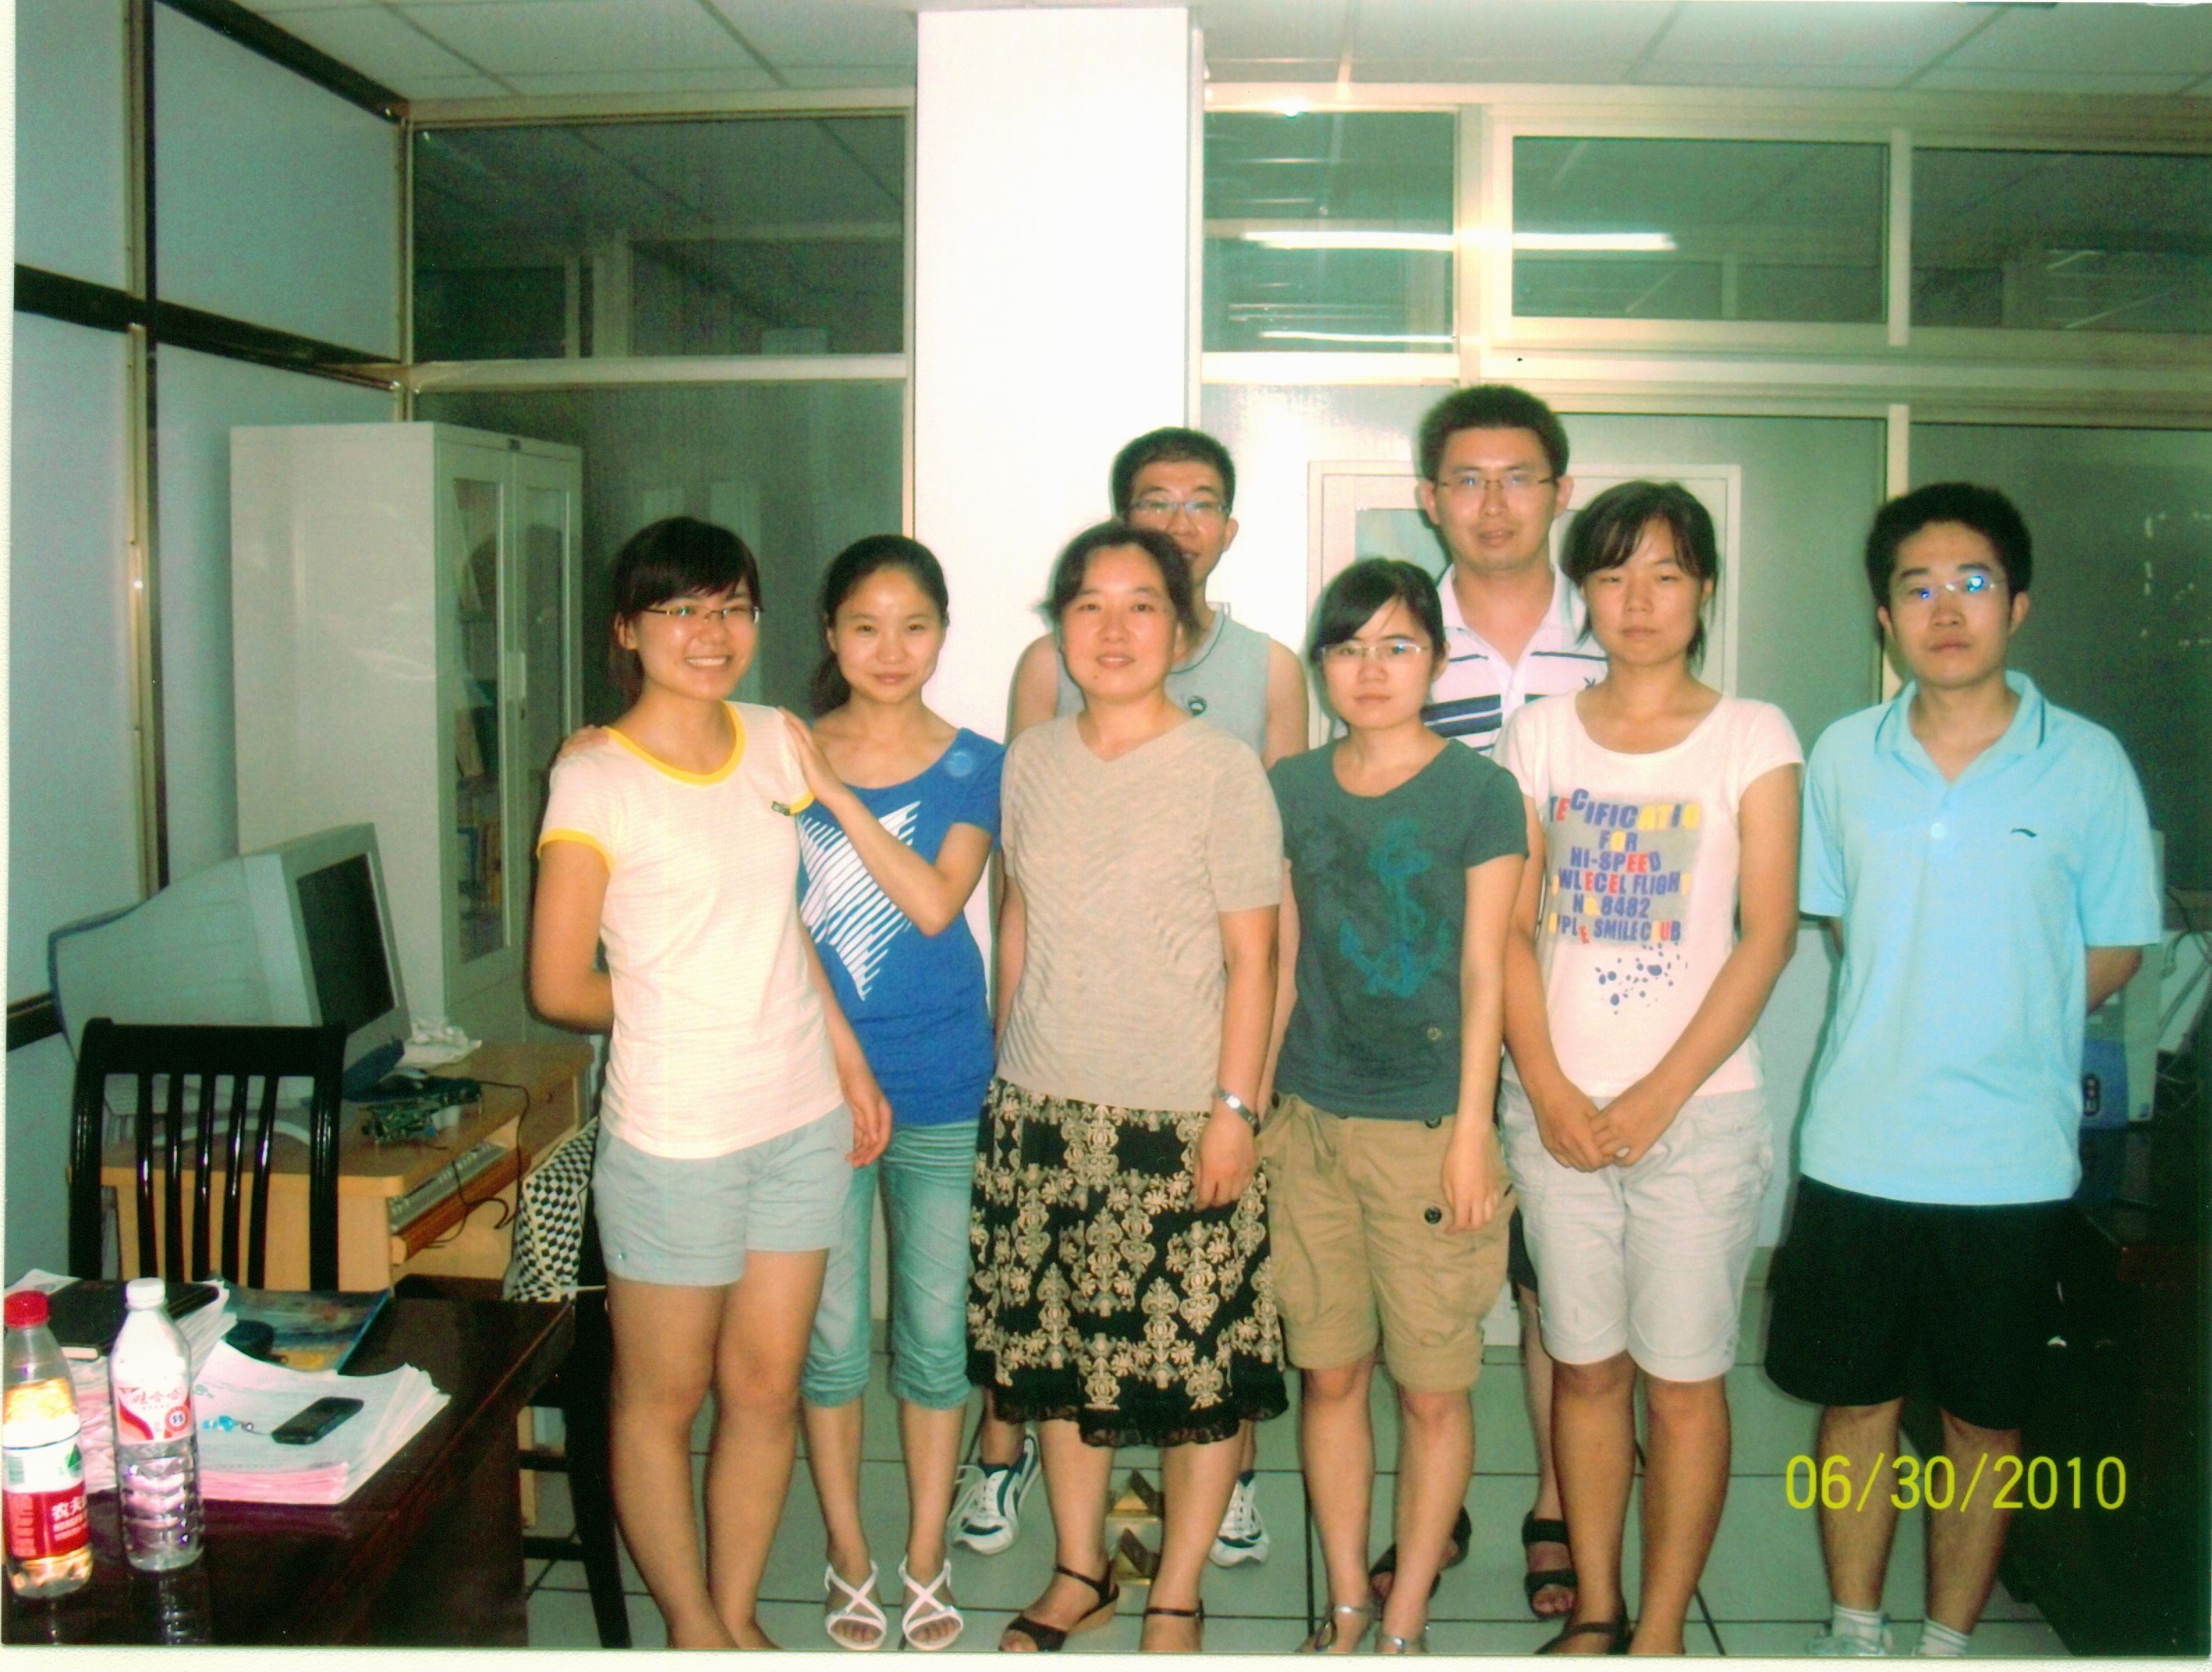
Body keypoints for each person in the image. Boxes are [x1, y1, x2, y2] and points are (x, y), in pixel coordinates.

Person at [1764, 483, 2158, 1659]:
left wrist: (2006, 1018)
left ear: (2018, 606)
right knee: (1858, 1406)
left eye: (1973, 583)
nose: (1946, 609)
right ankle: (1855, 1629)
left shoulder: (2087, 764)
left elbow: (2117, 945)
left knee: (1988, 1423)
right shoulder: (1845, 755)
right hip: (1860, 1148)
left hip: (2010, 1161)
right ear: (1884, 617)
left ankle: (1946, 1641)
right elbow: (1844, 923)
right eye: (1918, 587)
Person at [529, 516, 891, 1650]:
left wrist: (846, 1056)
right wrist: (682, 1002)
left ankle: (736, 1614)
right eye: (681, 609)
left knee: (768, 1387)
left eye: (733, 606)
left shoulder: (776, 739)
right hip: (676, 1135)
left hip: (799, 1118)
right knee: (662, 1397)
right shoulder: (594, 776)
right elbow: (557, 983)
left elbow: (779, 923)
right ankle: (691, 1628)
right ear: (627, 630)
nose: (712, 631)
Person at [980, 425, 1304, 1570]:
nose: (1113, 631)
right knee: (1062, 1366)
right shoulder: (1030, 760)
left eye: (1141, 608)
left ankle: (1174, 1599)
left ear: (1178, 629)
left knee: (1194, 1377)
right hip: (1041, 1111)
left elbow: (1256, 959)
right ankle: (1081, 1571)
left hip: (1178, 1117)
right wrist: (1002, 1077)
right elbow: (1016, 921)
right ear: (1061, 627)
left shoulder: (1225, 768)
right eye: (1089, 608)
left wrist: (1235, 1110)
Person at [1496, 481, 1802, 1655]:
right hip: (1558, 1113)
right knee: (1584, 1371)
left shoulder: (1754, 735)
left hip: (1698, 1117)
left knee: (1682, 1385)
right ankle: (1601, 1606)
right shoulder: (1542, 733)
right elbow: (1509, 927)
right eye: (1614, 575)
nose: (1638, 599)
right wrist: (1549, 1090)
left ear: (1704, 589)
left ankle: (1663, 1630)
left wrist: (1657, 1097)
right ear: (1585, 591)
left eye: (1666, 574)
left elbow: (1768, 935)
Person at [1259, 558, 1527, 1654]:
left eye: (1398, 646)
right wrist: (1249, 1109)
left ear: (1437, 660)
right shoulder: (1288, 789)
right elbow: (1279, 961)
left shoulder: (1480, 793)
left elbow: (1486, 972)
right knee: (1329, 1377)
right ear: (1322, 664)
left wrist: (1472, 1133)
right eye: (1349, 648)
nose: (1371, 670)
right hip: (1310, 1123)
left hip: (1428, 1131)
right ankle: (1347, 1602)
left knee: (1432, 1391)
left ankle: (1406, 1615)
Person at [1369, 384, 1607, 1617]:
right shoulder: (1396, 637)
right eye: (1467, 479)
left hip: (1577, 999)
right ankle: (1435, 1497)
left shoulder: (1616, 632)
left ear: (1561, 490)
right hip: (1430, 996)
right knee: (1426, 1258)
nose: (1494, 503)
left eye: (1519, 477)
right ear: (1429, 499)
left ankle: (1558, 1503)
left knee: (1551, 1280)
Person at [780, 536, 1004, 1652]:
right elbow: (771, 923)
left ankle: (924, 1557)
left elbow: (932, 902)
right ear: (832, 633)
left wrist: (832, 794)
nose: (890, 648)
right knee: (827, 1344)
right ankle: (847, 1553)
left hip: (947, 1080)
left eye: (914, 626)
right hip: (811, 1086)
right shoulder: (774, 755)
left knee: (932, 1337)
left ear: (943, 634)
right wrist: (844, 1063)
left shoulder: (974, 764)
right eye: (865, 626)